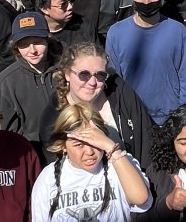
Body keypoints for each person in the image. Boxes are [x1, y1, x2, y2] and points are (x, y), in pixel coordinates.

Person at [38, 42, 154, 170]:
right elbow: (55, 167)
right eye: (84, 74)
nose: (92, 82)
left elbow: (147, 145)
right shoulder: (53, 117)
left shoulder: (120, 93)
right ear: (67, 74)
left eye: (100, 75)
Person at [105, 0, 186, 124]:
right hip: (132, 117)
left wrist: (184, 114)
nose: (146, 0)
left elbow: (184, 76)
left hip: (170, 117)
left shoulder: (177, 30)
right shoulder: (115, 33)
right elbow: (114, 80)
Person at [0, 12, 60, 154]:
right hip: (34, 153)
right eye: (24, 45)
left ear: (47, 40)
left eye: (37, 42)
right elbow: (9, 130)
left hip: (70, 146)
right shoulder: (7, 80)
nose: (33, 50)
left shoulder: (65, 68)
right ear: (16, 47)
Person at [24, 0, 97, 49]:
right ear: (44, 8)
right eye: (63, 4)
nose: (70, 6)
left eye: (71, 0)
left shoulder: (84, 26)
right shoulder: (33, 34)